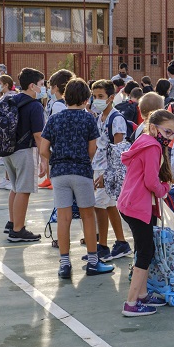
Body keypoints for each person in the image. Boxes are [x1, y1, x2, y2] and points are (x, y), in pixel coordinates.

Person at [39, 78, 114, 278]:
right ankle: (92, 261)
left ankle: (64, 263)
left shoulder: (55, 119)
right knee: (88, 216)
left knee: (64, 218)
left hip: (59, 173)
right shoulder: (88, 119)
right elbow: (92, 148)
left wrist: (57, 159)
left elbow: (43, 149)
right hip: (81, 171)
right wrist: (82, 160)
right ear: (85, 98)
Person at [117, 109, 174, 316]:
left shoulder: (145, 142)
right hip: (138, 205)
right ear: (153, 128)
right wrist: (165, 189)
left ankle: (141, 295)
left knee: (143, 249)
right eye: (168, 132)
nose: (170, 137)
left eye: (173, 133)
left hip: (132, 203)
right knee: (145, 252)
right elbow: (151, 181)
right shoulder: (152, 147)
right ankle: (131, 302)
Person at [90, 79, 134, 260]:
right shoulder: (100, 117)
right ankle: (122, 243)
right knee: (108, 206)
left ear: (111, 97)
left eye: (101, 96)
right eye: (94, 96)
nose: (97, 100)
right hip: (99, 167)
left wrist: (106, 175)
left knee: (99, 205)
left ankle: (103, 247)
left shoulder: (116, 119)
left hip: (108, 170)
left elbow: (118, 151)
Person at [2, 68, 47, 242]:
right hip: (24, 150)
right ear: (32, 85)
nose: (43, 88)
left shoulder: (12, 99)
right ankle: (18, 230)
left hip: (8, 150)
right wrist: (44, 159)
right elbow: (38, 135)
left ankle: (12, 222)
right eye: (42, 85)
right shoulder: (34, 105)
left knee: (15, 187)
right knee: (24, 190)